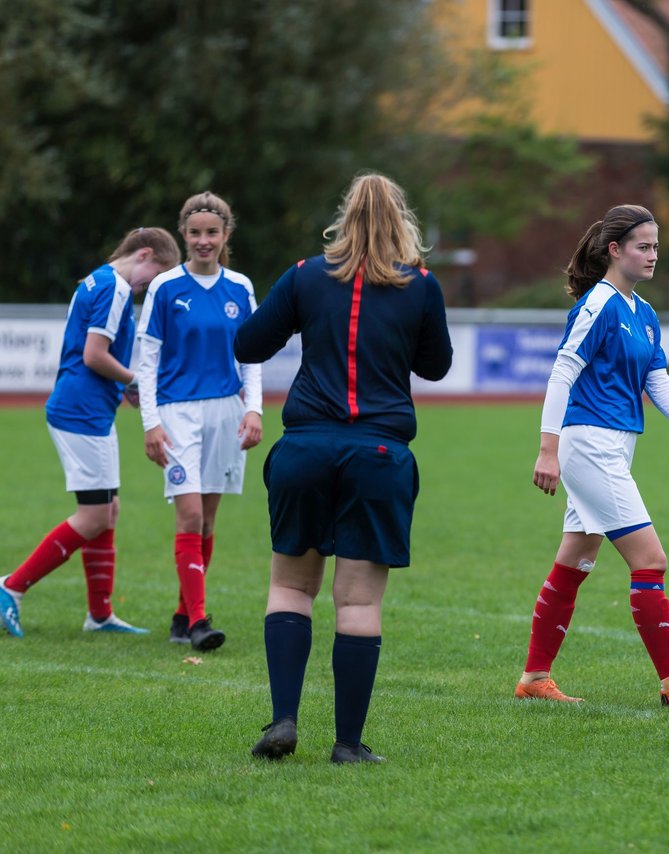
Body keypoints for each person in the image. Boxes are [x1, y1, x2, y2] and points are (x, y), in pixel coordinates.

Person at [234, 172, 452, 765]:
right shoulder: (420, 286)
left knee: (290, 586)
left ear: (343, 217)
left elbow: (247, 344)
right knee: (356, 604)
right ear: (401, 220)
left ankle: (283, 719)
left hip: (305, 448)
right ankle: (348, 745)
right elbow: (436, 366)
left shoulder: (306, 275)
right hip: (379, 454)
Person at [514, 204, 669, 707]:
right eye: (643, 246)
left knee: (575, 559)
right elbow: (562, 372)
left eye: (656, 246)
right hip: (589, 445)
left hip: (613, 445)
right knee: (651, 560)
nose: (653, 255)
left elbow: (657, 381)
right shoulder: (599, 304)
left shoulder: (644, 313)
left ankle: (533, 678)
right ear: (615, 250)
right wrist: (548, 449)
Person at [0, 229, 180, 639]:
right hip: (79, 410)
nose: (149, 288)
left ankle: (99, 615)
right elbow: (93, 355)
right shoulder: (115, 287)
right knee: (95, 514)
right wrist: (135, 381)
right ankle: (12, 586)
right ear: (145, 254)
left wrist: (123, 387)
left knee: (108, 510)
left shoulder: (97, 279)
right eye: (154, 278)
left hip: (90, 410)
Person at [135, 192, 263, 652]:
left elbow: (251, 356)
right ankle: (199, 623)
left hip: (226, 412)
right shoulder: (165, 288)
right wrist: (151, 423)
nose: (203, 241)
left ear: (226, 234)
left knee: (207, 523)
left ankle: (180, 613)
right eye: (195, 233)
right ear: (184, 235)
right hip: (177, 413)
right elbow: (146, 362)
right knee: (188, 514)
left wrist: (254, 408)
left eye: (212, 232)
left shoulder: (241, 288)